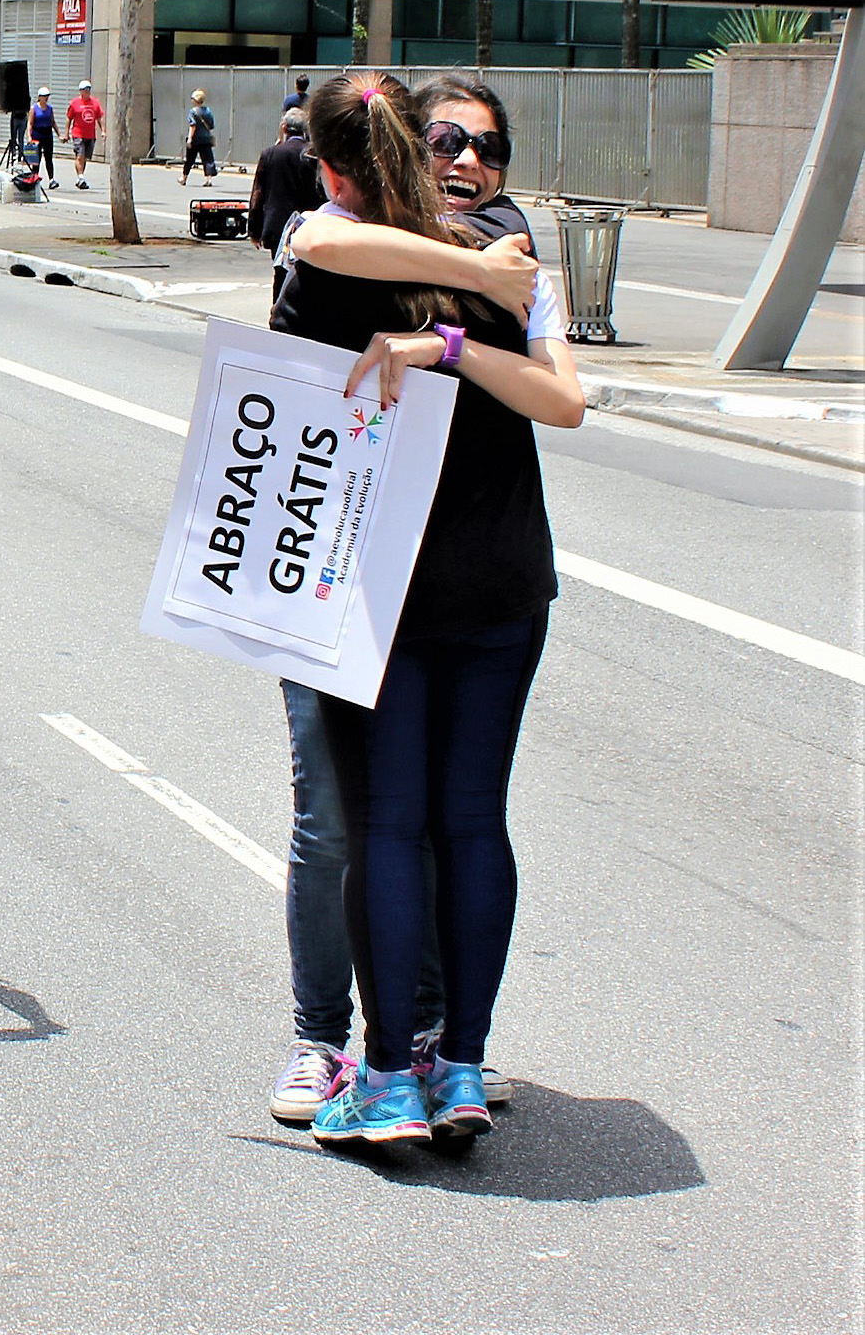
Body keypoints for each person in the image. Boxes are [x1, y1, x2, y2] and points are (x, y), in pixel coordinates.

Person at [269, 73, 581, 1146]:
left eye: (485, 148)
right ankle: (457, 1067)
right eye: (449, 142)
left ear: (330, 163)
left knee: (388, 829)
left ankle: (390, 1075)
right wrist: (475, 284)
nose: (469, 164)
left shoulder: (343, 256)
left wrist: (443, 339)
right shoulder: (501, 258)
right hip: (498, 580)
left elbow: (317, 241)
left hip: (380, 586)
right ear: (417, 145)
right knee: (469, 822)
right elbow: (566, 396)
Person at [248, 107, 327, 299]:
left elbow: (258, 194)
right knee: (308, 273)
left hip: (278, 225)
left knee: (281, 272)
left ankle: (279, 309)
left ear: (284, 128)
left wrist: (254, 229)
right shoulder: (313, 154)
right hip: (308, 225)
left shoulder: (270, 154)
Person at [65, 80, 104, 190]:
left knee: (85, 157)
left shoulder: (95, 102)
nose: (87, 92)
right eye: (85, 90)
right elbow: (69, 118)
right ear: (80, 91)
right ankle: (81, 177)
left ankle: (80, 177)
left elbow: (99, 118)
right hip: (78, 133)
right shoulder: (75, 103)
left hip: (90, 135)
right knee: (80, 156)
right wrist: (67, 133)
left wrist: (103, 131)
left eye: (89, 90)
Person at [181, 88, 217, 186]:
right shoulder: (208, 111)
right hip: (206, 139)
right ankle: (209, 179)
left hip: (195, 139)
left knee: (190, 159)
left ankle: (184, 178)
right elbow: (211, 125)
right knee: (208, 159)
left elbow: (192, 126)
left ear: (195, 100)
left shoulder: (193, 112)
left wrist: (189, 139)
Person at [28, 86, 60, 188]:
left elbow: (53, 122)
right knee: (36, 159)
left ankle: (51, 180)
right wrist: (29, 136)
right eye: (44, 96)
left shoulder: (50, 109)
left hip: (47, 134)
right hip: (37, 134)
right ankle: (35, 178)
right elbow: (30, 123)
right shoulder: (34, 108)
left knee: (48, 158)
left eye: (47, 96)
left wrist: (59, 134)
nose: (46, 98)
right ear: (39, 97)